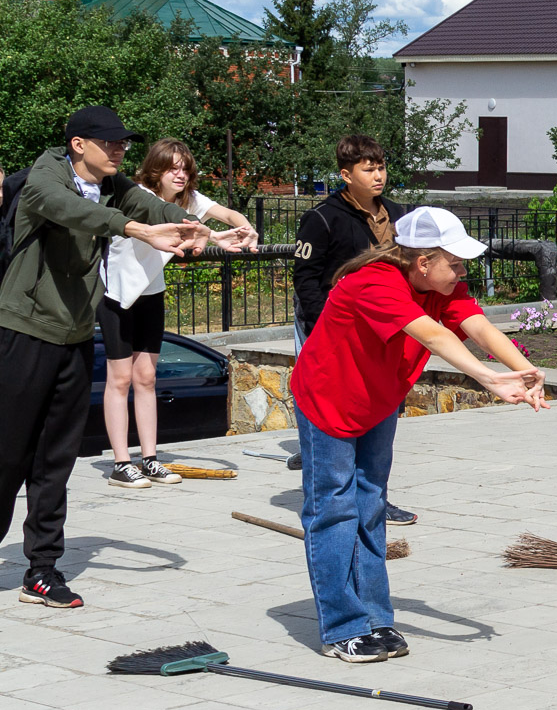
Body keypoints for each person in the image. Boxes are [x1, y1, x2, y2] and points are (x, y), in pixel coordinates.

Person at [288, 207, 546, 661]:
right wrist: (488, 379)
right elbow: (430, 335)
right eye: (457, 262)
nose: (463, 272)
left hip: (378, 402)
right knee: (333, 510)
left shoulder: (440, 283)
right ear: (423, 261)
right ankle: (341, 627)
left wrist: (523, 370)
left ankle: (376, 618)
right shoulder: (376, 281)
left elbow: (477, 326)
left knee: (369, 507)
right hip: (329, 400)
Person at [0, 107, 217, 608]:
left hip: (75, 336)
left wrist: (196, 227)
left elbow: (152, 205)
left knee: (55, 461)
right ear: (80, 144)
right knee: (8, 455)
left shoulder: (115, 184)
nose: (120, 150)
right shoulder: (45, 177)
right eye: (110, 143)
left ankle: (42, 570)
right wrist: (136, 230)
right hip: (22, 331)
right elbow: (77, 212)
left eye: (124, 143)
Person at [100, 139, 257, 489]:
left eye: (185, 168)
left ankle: (150, 459)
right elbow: (182, 228)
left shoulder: (191, 200)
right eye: (172, 167)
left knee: (146, 377)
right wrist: (209, 237)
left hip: (150, 294)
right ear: (155, 170)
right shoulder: (138, 195)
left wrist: (246, 228)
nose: (180, 174)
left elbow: (227, 215)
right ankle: (120, 463)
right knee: (120, 378)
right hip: (116, 295)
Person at [292, 135, 417, 524]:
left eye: (381, 166)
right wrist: (318, 329)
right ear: (346, 175)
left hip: (380, 331)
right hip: (331, 332)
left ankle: (376, 499)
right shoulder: (322, 218)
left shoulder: (398, 214)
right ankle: (329, 501)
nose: (378, 175)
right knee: (332, 416)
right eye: (368, 168)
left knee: (379, 415)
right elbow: (306, 279)